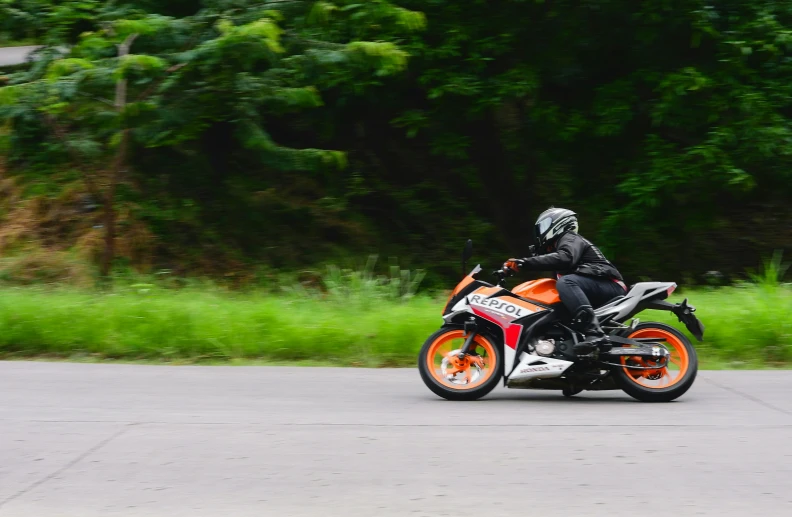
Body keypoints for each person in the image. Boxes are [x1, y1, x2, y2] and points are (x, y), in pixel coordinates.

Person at [503, 207, 627, 355]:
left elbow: (566, 258)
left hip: (609, 285)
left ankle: (595, 334)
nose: (539, 233)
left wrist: (525, 262)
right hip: (595, 287)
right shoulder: (559, 249)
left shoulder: (570, 238)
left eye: (542, 227)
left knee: (566, 283)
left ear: (558, 223)